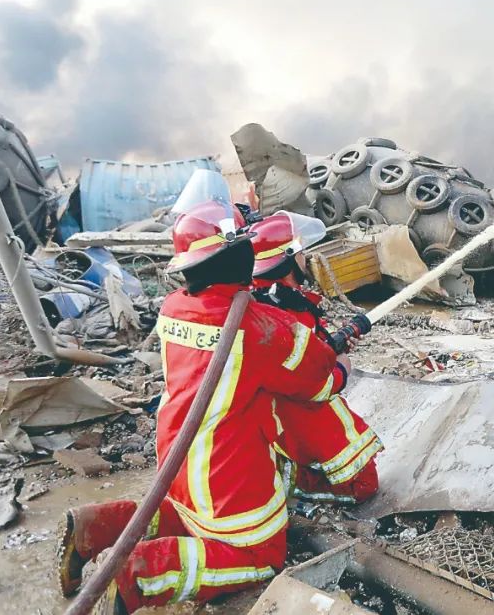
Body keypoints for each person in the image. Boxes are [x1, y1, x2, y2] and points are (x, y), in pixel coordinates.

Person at [58, 200, 344, 613]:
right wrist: (341, 366)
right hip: (230, 481)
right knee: (259, 558)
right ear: (237, 254)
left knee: (181, 517)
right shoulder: (260, 327)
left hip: (178, 463)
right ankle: (140, 573)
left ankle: (92, 525)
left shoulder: (175, 307)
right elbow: (316, 384)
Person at [248, 211, 382, 505]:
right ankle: (294, 483)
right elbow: (306, 383)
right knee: (364, 484)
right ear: (285, 262)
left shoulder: (271, 299)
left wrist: (334, 344)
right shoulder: (285, 313)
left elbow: (305, 352)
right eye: (300, 252)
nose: (306, 257)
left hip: (281, 415)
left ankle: (284, 468)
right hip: (297, 411)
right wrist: (341, 371)